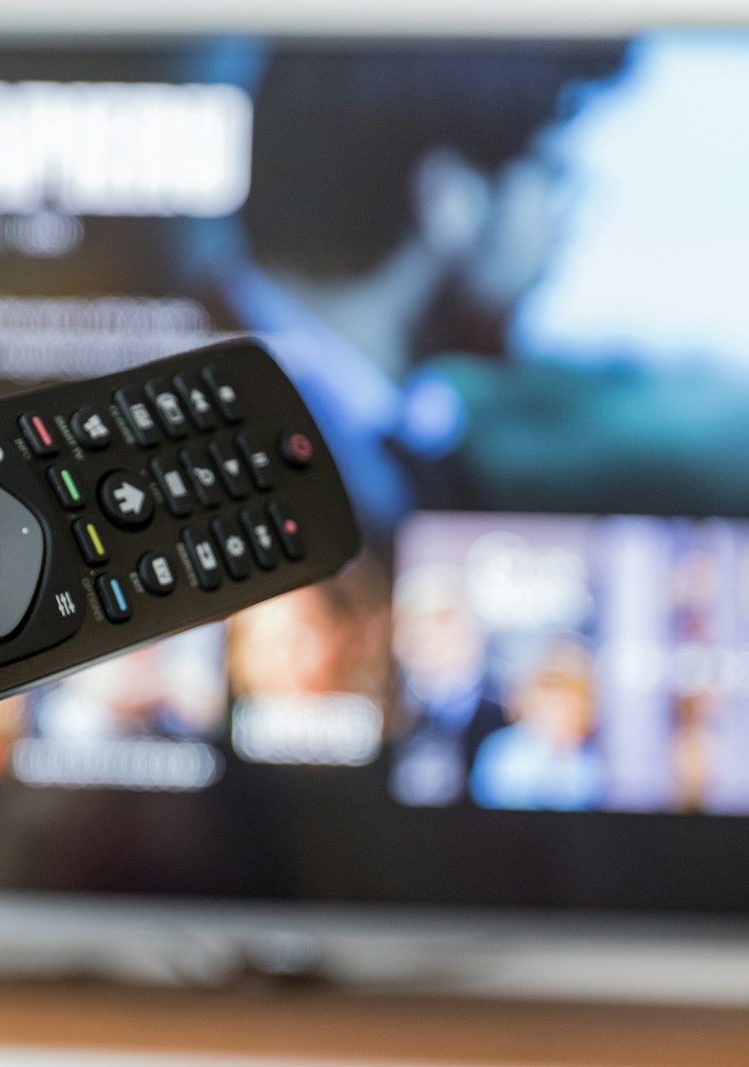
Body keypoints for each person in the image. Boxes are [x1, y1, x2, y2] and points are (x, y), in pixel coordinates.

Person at [201, 46, 623, 539]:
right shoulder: (221, 433)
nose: (567, 221)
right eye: (552, 175)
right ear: (449, 198)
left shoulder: (415, 429)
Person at [388, 565, 506, 806]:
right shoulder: (389, 704)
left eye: (439, 622)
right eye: (410, 625)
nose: (422, 638)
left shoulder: (504, 706)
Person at [470, 640, 605, 811]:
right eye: (548, 703)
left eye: (564, 705)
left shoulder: (588, 759)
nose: (555, 713)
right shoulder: (500, 749)